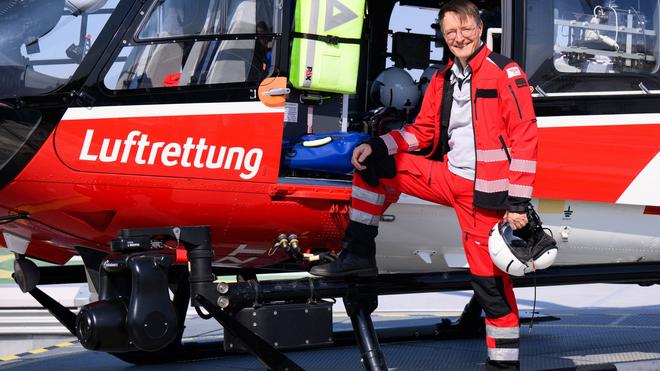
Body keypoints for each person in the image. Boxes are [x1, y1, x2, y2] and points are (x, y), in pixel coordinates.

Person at [310, 1, 538, 369]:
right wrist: (379, 144)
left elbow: (525, 137)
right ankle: (358, 256)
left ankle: (503, 364)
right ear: (444, 37)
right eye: (451, 32)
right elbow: (423, 131)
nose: (459, 37)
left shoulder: (504, 72)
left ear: (479, 29)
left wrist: (517, 203)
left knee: (490, 286)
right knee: (373, 167)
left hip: (485, 193)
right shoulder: (443, 77)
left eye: (465, 29)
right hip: (448, 178)